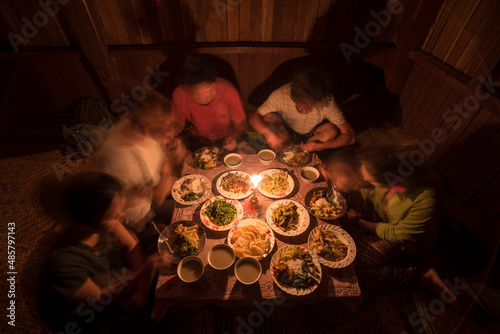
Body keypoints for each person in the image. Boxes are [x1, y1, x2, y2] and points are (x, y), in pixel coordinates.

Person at [38, 172, 170, 333]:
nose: (122, 216)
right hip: (92, 314)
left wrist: (141, 288)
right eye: (114, 215)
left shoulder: (99, 222)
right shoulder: (63, 262)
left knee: (165, 248)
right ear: (90, 220)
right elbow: (100, 299)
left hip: (117, 278)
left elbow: (130, 243)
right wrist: (146, 269)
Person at [342, 146, 459, 307]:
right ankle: (361, 235)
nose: (364, 177)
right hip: (379, 216)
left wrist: (359, 222)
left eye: (369, 179)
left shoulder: (425, 198)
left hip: (404, 240)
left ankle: (421, 278)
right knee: (340, 201)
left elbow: (397, 234)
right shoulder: (386, 171)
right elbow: (364, 191)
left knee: (355, 269)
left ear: (389, 179)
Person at [97, 91, 186, 232]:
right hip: (139, 212)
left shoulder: (135, 124)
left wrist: (168, 146)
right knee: (190, 214)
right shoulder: (125, 158)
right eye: (167, 128)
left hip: (153, 187)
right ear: (150, 127)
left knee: (194, 188)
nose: (173, 132)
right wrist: (169, 164)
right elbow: (157, 197)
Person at [249, 67, 356, 155]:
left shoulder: (327, 101)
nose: (302, 109)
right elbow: (254, 118)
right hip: (287, 129)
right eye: (298, 104)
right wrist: (269, 135)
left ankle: (306, 152)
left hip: (313, 133)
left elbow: (350, 136)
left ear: (316, 100)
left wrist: (319, 145)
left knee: (332, 130)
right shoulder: (281, 94)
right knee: (268, 118)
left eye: (307, 105)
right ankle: (282, 154)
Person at [172, 56, 248, 152]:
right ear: (188, 89)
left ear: (215, 82)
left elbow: (240, 124)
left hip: (227, 136)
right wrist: (172, 134)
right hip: (198, 138)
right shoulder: (180, 93)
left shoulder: (228, 91)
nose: (206, 98)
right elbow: (179, 123)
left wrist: (232, 136)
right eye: (198, 95)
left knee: (247, 151)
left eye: (211, 91)